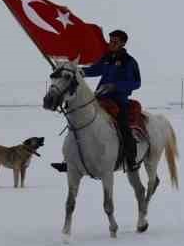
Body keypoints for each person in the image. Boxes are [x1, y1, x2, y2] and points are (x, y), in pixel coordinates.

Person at [54, 29, 142, 172]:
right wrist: (80, 71)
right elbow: (95, 69)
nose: (111, 44)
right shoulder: (107, 57)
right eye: (110, 41)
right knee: (78, 120)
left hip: (119, 101)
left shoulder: (129, 62)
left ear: (123, 43)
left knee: (124, 127)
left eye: (115, 42)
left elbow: (136, 83)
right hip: (100, 98)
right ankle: (70, 159)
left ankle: (131, 160)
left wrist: (115, 86)